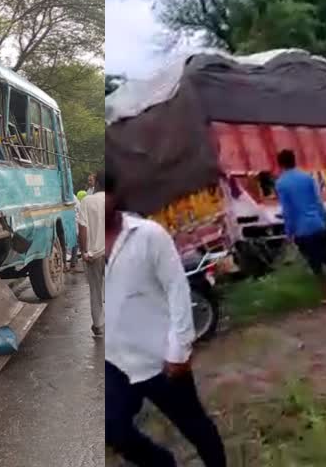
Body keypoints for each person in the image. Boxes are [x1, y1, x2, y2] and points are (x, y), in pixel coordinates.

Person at [104, 167, 226, 467]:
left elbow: (177, 290)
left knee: (194, 426)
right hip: (115, 361)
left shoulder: (148, 235)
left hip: (161, 358)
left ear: (115, 196)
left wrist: (180, 348)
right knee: (113, 428)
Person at [275, 149, 326, 302]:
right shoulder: (307, 178)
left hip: (302, 230)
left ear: (280, 164)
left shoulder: (281, 184)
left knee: (316, 265)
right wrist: (325, 221)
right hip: (318, 224)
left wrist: (289, 232)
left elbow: (288, 210)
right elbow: (318, 202)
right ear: (294, 160)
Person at [78, 173, 105, 336]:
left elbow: (83, 229)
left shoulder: (87, 201)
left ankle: (98, 326)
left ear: (97, 183)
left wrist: (84, 251)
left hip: (94, 254)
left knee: (95, 290)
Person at [69, 190, 88, 271]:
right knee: (76, 242)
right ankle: (73, 262)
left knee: (75, 242)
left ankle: (74, 261)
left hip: (74, 222)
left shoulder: (71, 197)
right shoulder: (73, 197)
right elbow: (80, 211)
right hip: (75, 222)